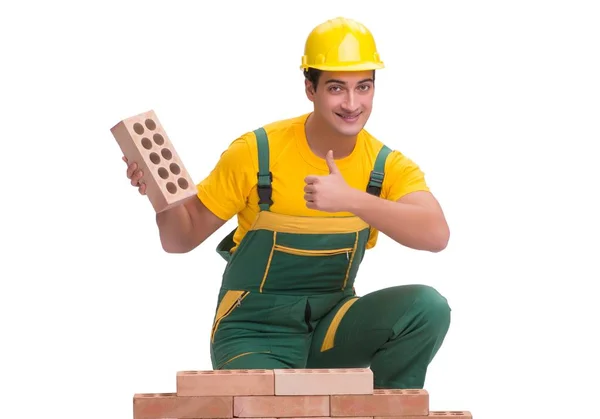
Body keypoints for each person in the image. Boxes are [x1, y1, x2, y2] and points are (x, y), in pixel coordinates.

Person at [123, 17, 451, 389]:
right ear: (310, 88)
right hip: (252, 333)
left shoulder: (384, 165)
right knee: (271, 402)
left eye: (363, 87)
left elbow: (436, 234)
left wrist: (352, 199)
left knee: (427, 309)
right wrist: (160, 195)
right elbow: (179, 240)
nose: (351, 103)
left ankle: (387, 411)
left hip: (330, 328)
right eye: (336, 88)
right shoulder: (258, 153)